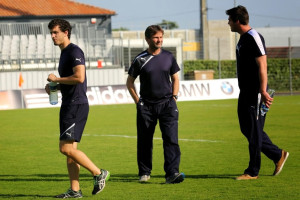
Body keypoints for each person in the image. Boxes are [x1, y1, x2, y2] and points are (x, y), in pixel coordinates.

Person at [45, 18, 110, 198]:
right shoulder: (64, 52)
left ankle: (98, 173)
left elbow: (79, 77)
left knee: (65, 149)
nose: (52, 36)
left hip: (75, 105)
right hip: (70, 103)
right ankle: (75, 190)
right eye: (51, 33)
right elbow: (71, 80)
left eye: (55, 32)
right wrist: (55, 87)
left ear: (66, 32)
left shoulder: (74, 51)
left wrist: (57, 79)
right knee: (70, 152)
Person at [225, 6, 289, 180]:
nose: (228, 23)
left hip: (256, 93)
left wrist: (263, 90)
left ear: (237, 20)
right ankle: (278, 155)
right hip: (245, 92)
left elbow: (263, 64)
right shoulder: (242, 39)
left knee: (254, 131)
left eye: (230, 19)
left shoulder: (254, 37)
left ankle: (252, 171)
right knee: (247, 129)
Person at [126, 25, 184, 184]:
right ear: (147, 39)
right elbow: (130, 82)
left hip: (167, 105)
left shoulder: (169, 57)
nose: (159, 40)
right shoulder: (140, 59)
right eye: (156, 37)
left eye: (161, 37)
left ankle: (172, 173)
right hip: (147, 107)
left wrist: (174, 97)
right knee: (145, 141)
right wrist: (138, 102)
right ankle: (144, 173)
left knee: (171, 139)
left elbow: (175, 78)